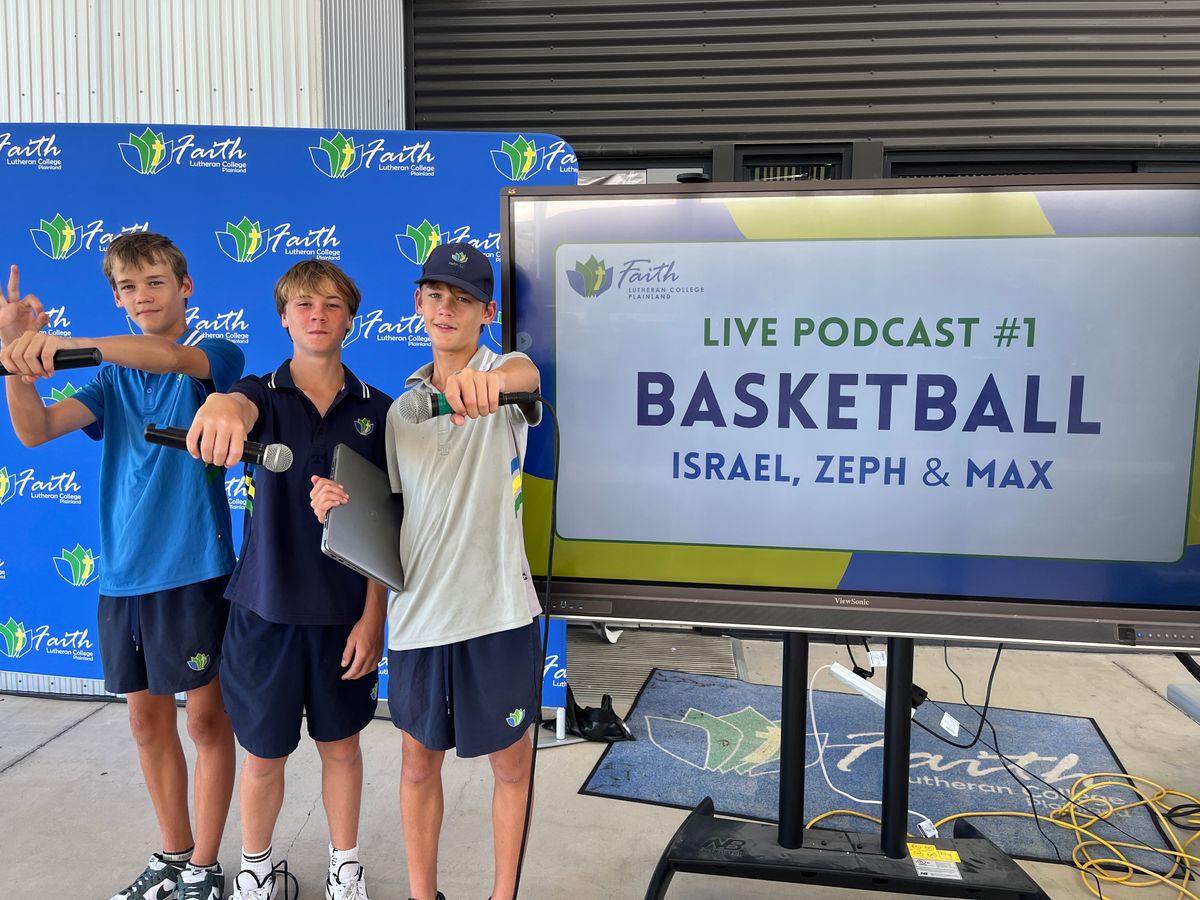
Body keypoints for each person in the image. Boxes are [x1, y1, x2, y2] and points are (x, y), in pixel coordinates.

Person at [0, 233, 244, 900]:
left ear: (185, 287)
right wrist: (17, 358)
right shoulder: (110, 379)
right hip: (122, 575)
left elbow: (169, 357)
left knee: (205, 723)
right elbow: (34, 431)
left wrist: (72, 345)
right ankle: (173, 856)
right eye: (128, 288)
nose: (142, 297)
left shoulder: (215, 354)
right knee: (145, 723)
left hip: (194, 571)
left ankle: (205, 868)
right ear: (116, 298)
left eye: (155, 282)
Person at [310, 243, 543, 900]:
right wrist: (338, 510)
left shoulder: (505, 378)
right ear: (418, 302)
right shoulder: (400, 411)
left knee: (512, 766)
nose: (447, 309)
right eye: (436, 295)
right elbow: (391, 519)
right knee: (416, 766)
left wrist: (491, 383)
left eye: (464, 299)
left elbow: (526, 375)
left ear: (487, 312)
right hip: (418, 617)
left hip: (498, 611)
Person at [186, 259, 390, 900]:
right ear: (283, 318)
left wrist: (373, 618)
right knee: (264, 755)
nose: (317, 315)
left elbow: (387, 528)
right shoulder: (259, 395)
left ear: (351, 319)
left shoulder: (380, 411)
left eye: (331, 304)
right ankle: (256, 869)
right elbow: (233, 405)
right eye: (304, 305)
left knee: (342, 749)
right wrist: (220, 406)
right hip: (264, 612)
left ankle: (345, 868)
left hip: (343, 618)